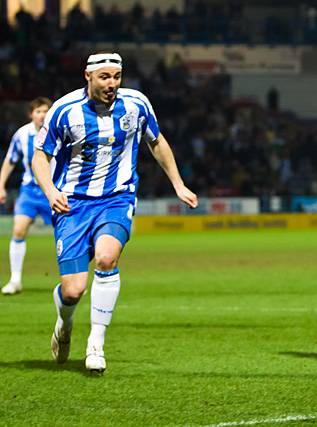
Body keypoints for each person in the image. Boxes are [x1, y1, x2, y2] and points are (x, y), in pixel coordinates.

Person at [31, 52, 198, 373]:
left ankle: (96, 344)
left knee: (107, 259)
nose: (112, 84)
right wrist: (51, 192)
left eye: (117, 77)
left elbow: (157, 142)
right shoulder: (64, 111)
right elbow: (41, 157)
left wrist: (178, 184)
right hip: (72, 204)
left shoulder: (136, 104)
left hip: (117, 199)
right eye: (105, 77)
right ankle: (64, 324)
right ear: (88, 76)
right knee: (73, 290)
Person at [0, 97, 52, 295]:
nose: (42, 115)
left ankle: (72, 280)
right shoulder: (22, 134)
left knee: (67, 235)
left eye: (46, 111)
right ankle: (15, 280)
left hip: (53, 191)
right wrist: (1, 186)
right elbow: (10, 160)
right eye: (38, 111)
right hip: (29, 191)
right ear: (31, 114)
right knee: (19, 230)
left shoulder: (57, 131)